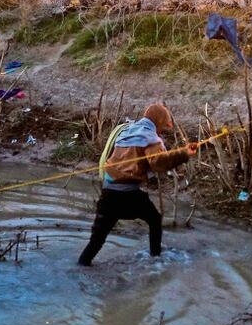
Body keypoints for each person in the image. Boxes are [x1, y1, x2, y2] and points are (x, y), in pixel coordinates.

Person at [78, 103, 196, 266]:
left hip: (107, 194)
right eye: (164, 124)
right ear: (159, 121)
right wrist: (184, 153)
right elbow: (157, 163)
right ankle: (156, 260)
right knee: (154, 219)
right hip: (128, 196)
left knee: (96, 240)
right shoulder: (149, 137)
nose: (163, 129)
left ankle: (81, 265)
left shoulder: (126, 131)